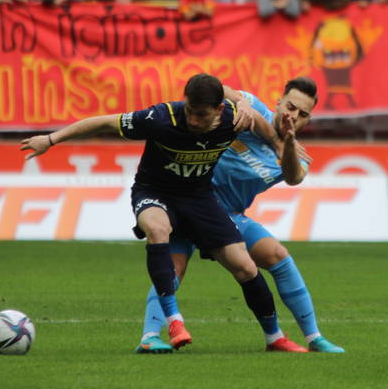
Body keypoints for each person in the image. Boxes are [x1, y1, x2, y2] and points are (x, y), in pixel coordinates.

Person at [20, 73, 307, 353]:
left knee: (244, 266)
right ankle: (173, 322)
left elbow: (259, 121)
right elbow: (105, 122)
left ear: (219, 110)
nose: (193, 121)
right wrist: (51, 139)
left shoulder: (232, 117)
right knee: (158, 230)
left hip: (199, 198)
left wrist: (280, 144)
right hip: (155, 192)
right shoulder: (160, 118)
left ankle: (274, 338)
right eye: (191, 112)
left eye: (202, 116)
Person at [135, 79, 343, 353]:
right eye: (291, 107)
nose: (293, 116)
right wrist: (243, 102)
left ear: (308, 120)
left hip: (229, 216)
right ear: (279, 102)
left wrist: (289, 142)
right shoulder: (252, 108)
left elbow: (294, 178)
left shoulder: (294, 153)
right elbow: (216, 88)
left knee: (277, 255)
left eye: (302, 114)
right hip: (188, 200)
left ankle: (314, 338)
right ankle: (150, 336)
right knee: (174, 269)